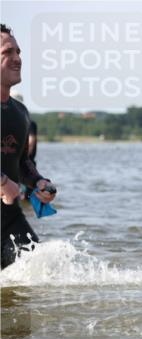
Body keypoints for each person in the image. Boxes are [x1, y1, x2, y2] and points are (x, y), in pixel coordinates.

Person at [1, 24, 57, 270]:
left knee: (37, 274)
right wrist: (3, 182)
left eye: (18, 52)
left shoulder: (20, 113)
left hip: (9, 219)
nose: (17, 59)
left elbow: (22, 162)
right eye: (8, 52)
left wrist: (40, 183)